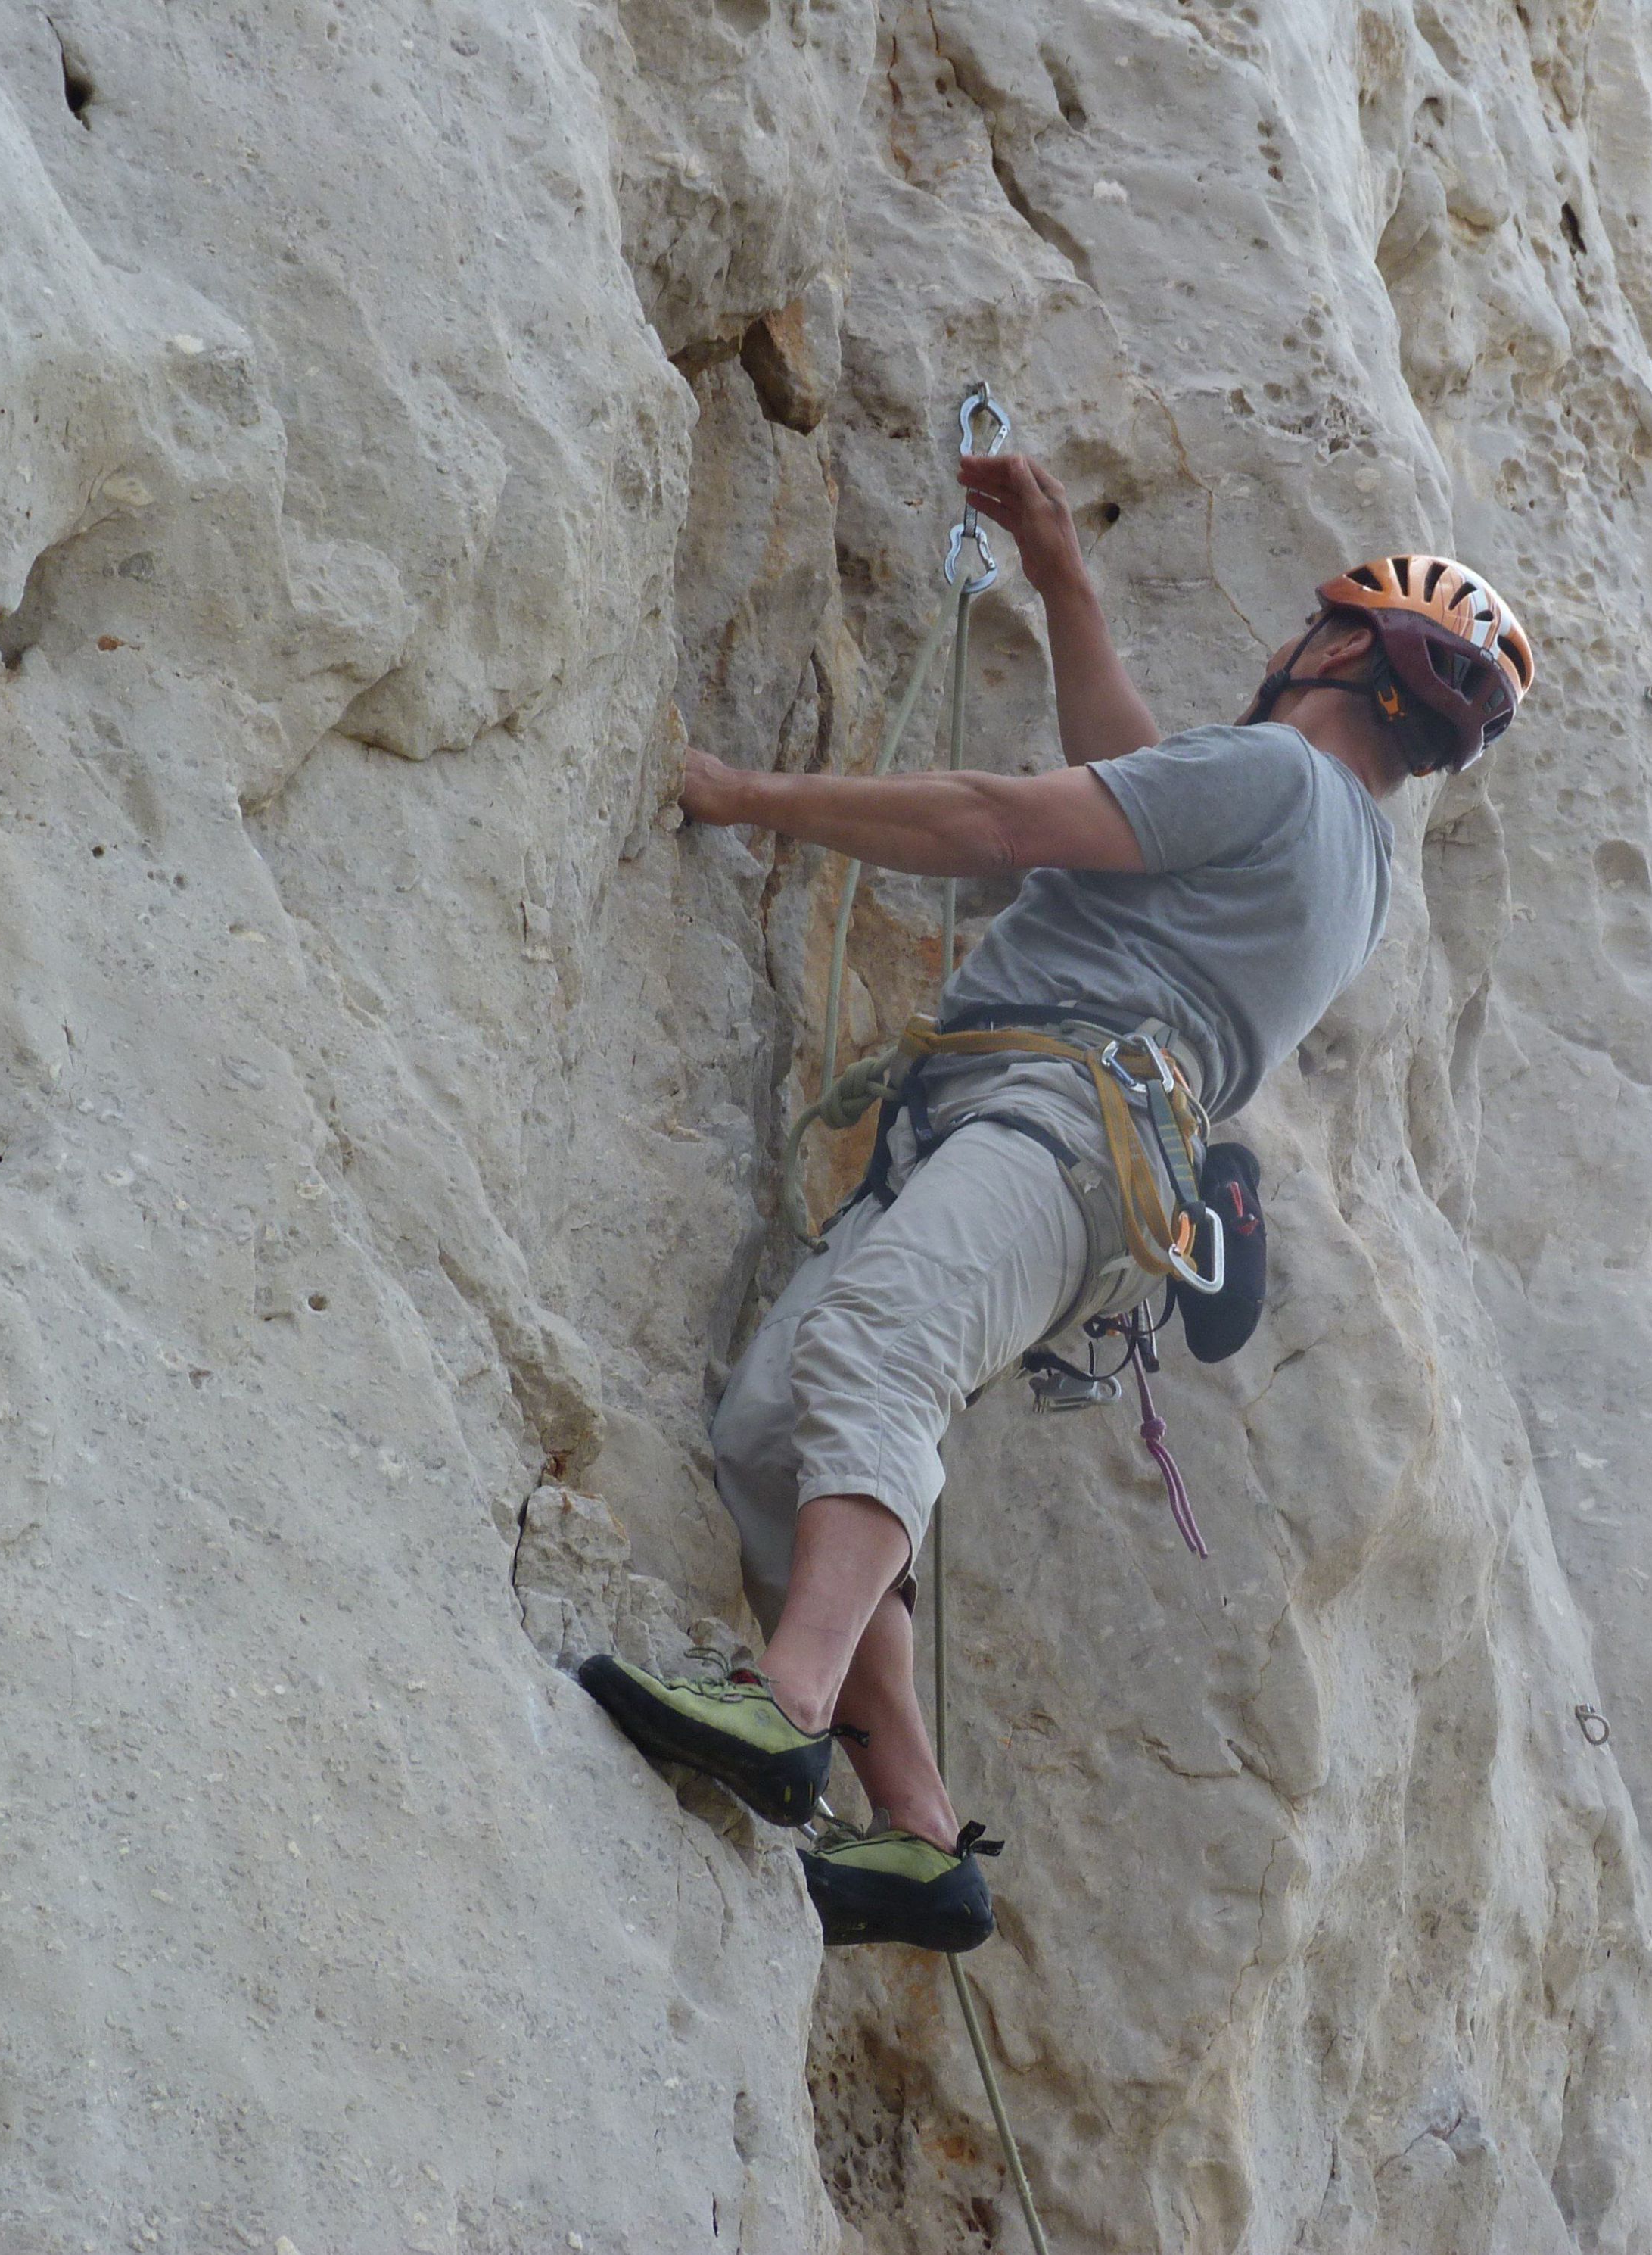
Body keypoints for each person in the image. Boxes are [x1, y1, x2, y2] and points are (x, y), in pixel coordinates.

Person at [580, 451, 1533, 1951]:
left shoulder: (1275, 775)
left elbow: (1002, 820)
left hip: (1056, 1116)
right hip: (1085, 1155)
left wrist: (739, 792)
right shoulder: (1342, 853)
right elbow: (1136, 797)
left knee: (878, 1348)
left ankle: (784, 1705)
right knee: (775, 1427)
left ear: (1342, 649)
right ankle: (914, 1835)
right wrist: (1062, 580)